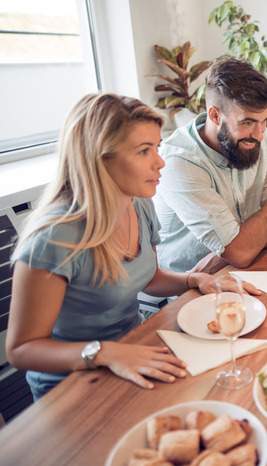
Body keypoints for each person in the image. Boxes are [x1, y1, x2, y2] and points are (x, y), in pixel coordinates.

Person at [6, 94, 251, 400]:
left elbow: (146, 277)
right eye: (144, 151)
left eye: (157, 148)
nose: (160, 162)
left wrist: (192, 279)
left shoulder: (139, 205)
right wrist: (105, 353)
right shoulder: (53, 239)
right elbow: (21, 350)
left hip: (135, 349)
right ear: (98, 158)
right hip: (73, 385)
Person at [154, 57, 267, 273]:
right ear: (214, 115)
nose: (260, 134)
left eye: (264, 120)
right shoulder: (179, 163)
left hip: (232, 272)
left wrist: (227, 254)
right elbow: (239, 254)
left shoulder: (257, 136)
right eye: (246, 122)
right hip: (185, 290)